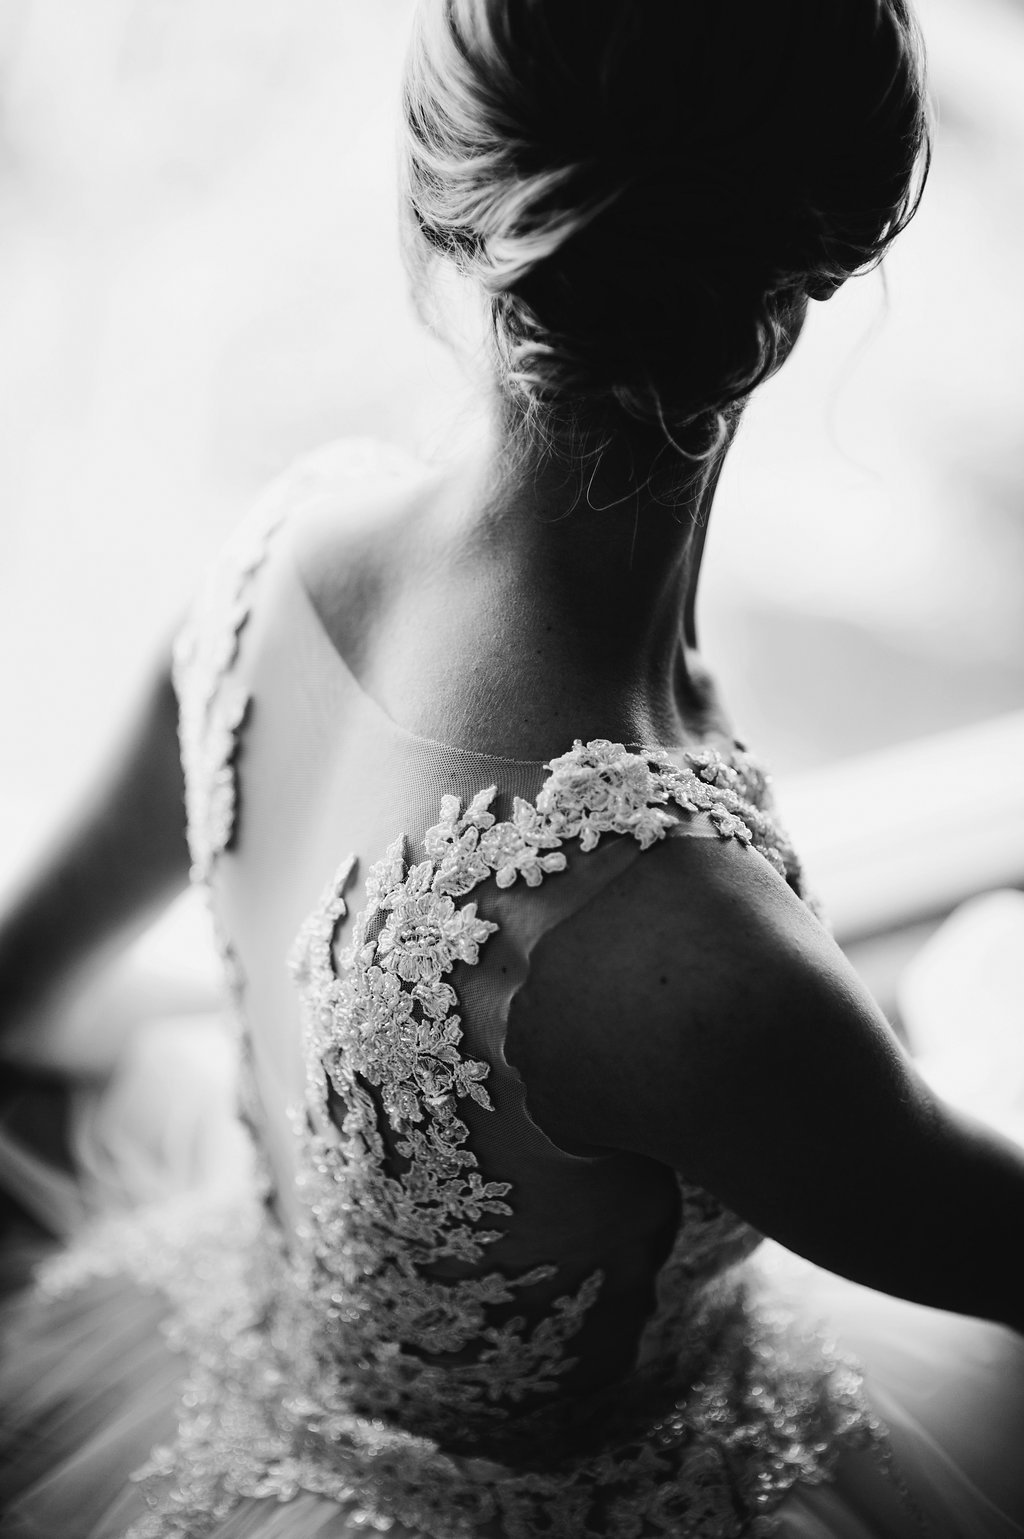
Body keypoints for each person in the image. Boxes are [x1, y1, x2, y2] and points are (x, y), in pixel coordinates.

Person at [1, 2, 1022, 1535]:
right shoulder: (678, 950)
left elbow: (24, 968)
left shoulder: (274, 568)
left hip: (219, 1383)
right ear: (830, 252)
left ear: (447, 202)